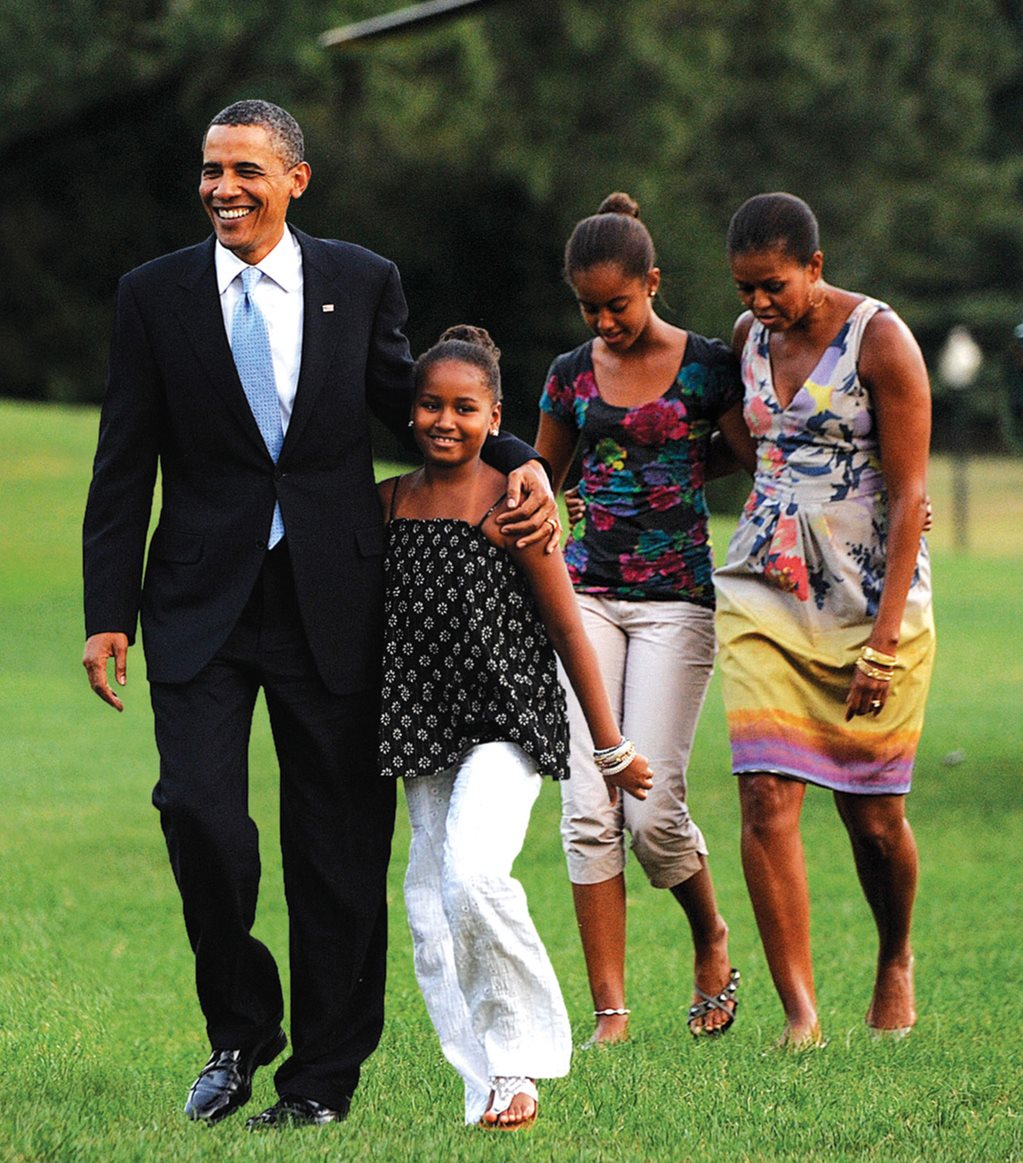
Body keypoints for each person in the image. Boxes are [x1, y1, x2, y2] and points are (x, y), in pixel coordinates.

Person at [80, 100, 558, 1130]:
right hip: (198, 601)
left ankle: (319, 1082)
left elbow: (417, 401)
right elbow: (122, 461)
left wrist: (520, 462)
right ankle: (240, 1025)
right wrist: (105, 610)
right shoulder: (152, 295)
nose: (223, 188)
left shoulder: (358, 280)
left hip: (335, 599)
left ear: (297, 179)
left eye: (246, 170)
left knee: (336, 849)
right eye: (211, 169)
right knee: (198, 813)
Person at [378, 325, 653, 1130]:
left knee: (472, 873)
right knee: (429, 910)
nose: (444, 420)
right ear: (409, 411)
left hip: (507, 725)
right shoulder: (388, 504)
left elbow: (569, 631)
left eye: (465, 408)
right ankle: (485, 1085)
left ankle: (522, 1060)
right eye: (430, 404)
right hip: (423, 729)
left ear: (493, 415)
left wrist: (610, 747)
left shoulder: (517, 506)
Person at [714, 193, 936, 1049]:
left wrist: (884, 642)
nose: (758, 305)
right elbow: (748, 446)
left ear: (814, 264)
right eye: (743, 289)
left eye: (772, 286)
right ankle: (800, 1015)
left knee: (873, 817)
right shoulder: (746, 342)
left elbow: (914, 492)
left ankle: (893, 957)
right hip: (765, 586)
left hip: (872, 593)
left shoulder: (880, 339)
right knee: (766, 791)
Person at [535, 193, 752, 1045]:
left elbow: (751, 450)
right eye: (588, 308)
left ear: (652, 284)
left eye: (616, 304)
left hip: (675, 605)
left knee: (651, 810)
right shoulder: (568, 372)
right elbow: (542, 476)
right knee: (588, 808)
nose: (603, 321)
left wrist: (681, 470)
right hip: (585, 594)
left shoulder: (704, 366)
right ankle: (611, 1016)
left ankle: (710, 935)